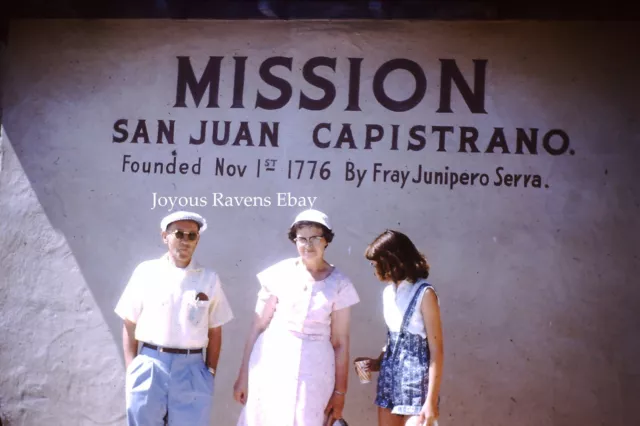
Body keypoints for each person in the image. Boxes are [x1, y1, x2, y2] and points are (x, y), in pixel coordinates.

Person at [233, 209, 360, 426]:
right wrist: (243, 375)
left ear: (326, 241)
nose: (308, 245)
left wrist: (340, 393)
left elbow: (340, 342)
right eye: (302, 238)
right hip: (272, 361)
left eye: (315, 238)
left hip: (316, 368)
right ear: (294, 240)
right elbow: (258, 326)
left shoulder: (340, 283)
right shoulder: (278, 273)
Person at [114, 211, 234, 426]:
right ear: (164, 236)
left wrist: (209, 372)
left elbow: (215, 329)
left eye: (192, 236)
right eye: (179, 234)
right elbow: (129, 321)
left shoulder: (208, 278)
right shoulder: (146, 272)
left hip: (192, 369)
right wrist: (132, 368)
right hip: (150, 364)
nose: (185, 241)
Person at [355, 230, 444, 426]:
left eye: (376, 263)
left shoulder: (424, 293)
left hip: (417, 385)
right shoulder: (388, 293)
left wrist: (431, 402)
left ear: (392, 260)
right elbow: (395, 340)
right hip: (389, 381)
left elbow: (436, 351)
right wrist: (376, 363)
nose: (374, 268)